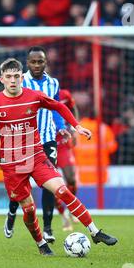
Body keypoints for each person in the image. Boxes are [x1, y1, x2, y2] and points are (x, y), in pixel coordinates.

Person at [0, 58, 118, 256]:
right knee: (28, 209)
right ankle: (40, 242)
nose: (13, 80)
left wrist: (76, 126)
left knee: (62, 190)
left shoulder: (34, 96)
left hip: (36, 156)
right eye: (9, 77)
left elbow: (60, 107)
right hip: (12, 164)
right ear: (1, 79)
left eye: (16, 76)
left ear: (22, 77)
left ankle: (95, 232)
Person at [4, 46, 70, 243]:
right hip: (23, 139)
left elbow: (56, 107)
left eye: (40, 61)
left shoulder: (53, 83)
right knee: (20, 185)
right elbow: (8, 104)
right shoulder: (19, 81)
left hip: (48, 138)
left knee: (50, 184)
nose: (36, 65)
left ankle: (48, 228)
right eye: (33, 61)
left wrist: (61, 127)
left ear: (45, 62)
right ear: (27, 63)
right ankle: (11, 213)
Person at [54, 89, 81, 231]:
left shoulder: (64, 94)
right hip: (46, 143)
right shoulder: (34, 95)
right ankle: (63, 216)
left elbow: (73, 108)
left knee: (71, 179)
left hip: (63, 141)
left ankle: (71, 208)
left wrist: (74, 128)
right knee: (52, 185)